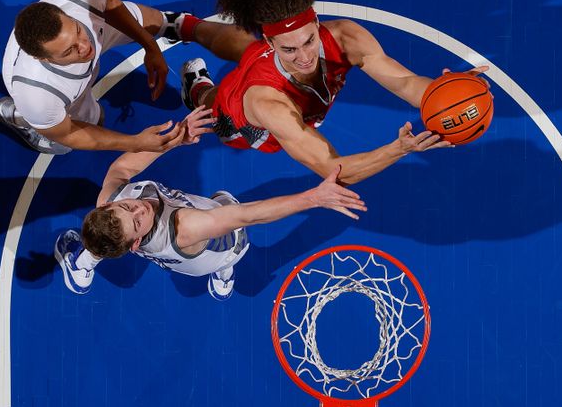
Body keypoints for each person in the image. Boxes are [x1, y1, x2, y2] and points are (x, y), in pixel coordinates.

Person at [170, 0, 490, 184]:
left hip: (268, 64)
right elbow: (334, 170)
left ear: (317, 23)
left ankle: (188, 26)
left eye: (309, 40)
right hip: (243, 115)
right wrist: (399, 149)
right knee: (216, 113)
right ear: (273, 43)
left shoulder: (345, 38)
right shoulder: (270, 106)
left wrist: (448, 92)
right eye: (291, 49)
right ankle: (197, 86)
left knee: (245, 46)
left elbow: (405, 83)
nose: (306, 56)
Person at [53, 107, 366, 299]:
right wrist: (314, 197)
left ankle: (83, 265)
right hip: (226, 244)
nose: (138, 207)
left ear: (108, 206)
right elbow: (250, 216)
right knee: (225, 208)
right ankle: (225, 272)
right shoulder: (186, 227)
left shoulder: (110, 203)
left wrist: (174, 139)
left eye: (126, 207)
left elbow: (121, 169)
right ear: (136, 243)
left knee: (103, 235)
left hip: (180, 257)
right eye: (136, 221)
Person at [0, 0, 189, 154]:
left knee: (146, 21)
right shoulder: (38, 96)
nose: (85, 46)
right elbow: (68, 133)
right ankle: (25, 118)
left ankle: (170, 24)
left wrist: (150, 45)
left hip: (70, 59)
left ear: (66, 15)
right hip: (54, 92)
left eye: (78, 30)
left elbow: (111, 2)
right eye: (70, 49)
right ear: (45, 58)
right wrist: (136, 143)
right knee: (93, 124)